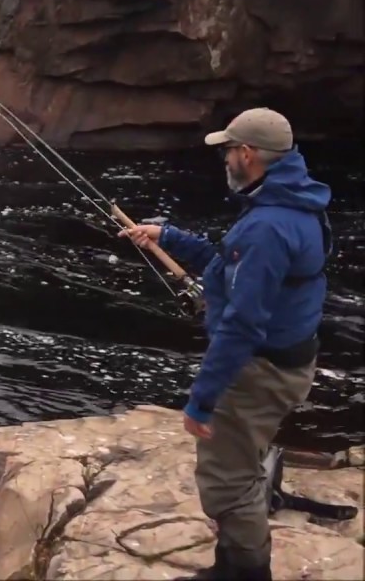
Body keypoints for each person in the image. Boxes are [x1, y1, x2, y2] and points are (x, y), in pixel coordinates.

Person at [118, 107, 332, 581]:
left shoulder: (267, 226)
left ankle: (246, 574)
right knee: (242, 468)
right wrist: (168, 237)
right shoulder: (295, 204)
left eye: (229, 150)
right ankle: (229, 568)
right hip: (289, 359)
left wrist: (202, 400)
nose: (225, 159)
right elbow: (231, 265)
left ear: (248, 154)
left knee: (227, 487)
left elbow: (243, 325)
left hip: (259, 371)